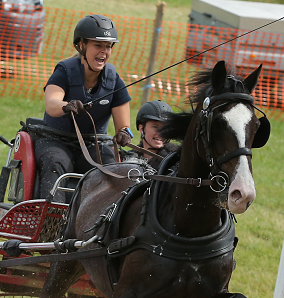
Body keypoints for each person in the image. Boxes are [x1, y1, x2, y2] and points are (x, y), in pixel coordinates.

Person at [35, 14, 132, 202]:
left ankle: (102, 220)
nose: (104, 52)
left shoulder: (114, 80)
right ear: (81, 45)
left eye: (108, 46)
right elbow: (52, 105)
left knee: (110, 163)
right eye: (98, 45)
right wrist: (67, 106)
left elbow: (124, 126)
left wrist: (124, 134)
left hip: (92, 144)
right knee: (56, 162)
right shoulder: (64, 71)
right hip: (55, 140)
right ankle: (51, 222)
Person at [121, 100, 179, 169]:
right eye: (155, 127)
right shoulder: (127, 158)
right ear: (141, 128)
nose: (161, 133)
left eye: (165, 128)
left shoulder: (175, 162)